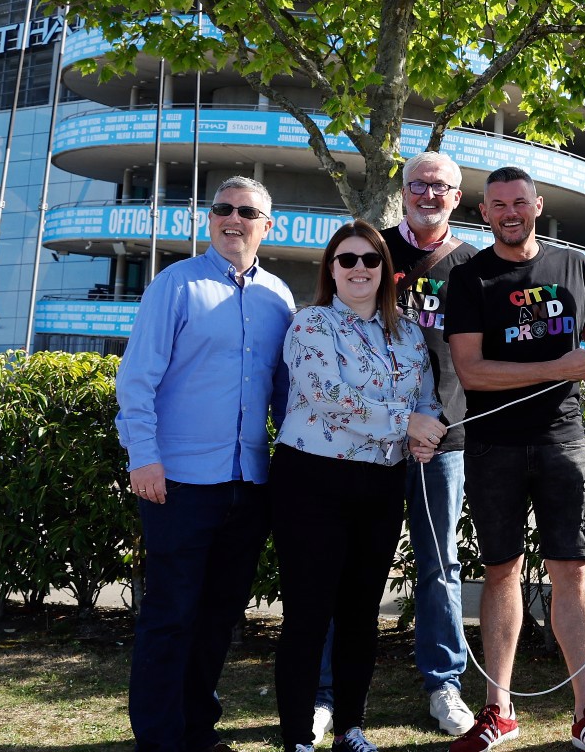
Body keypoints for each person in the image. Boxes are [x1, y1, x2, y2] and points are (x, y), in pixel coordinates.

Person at [443, 166, 585, 752]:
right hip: (493, 444)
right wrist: (557, 367)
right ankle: (497, 710)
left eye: (519, 202)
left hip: (560, 440)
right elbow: (471, 370)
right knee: (502, 571)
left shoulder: (573, 265)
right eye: (498, 205)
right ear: (485, 212)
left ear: (538, 204)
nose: (510, 212)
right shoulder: (468, 277)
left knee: (571, 570)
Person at [114, 177, 295, 752]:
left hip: (249, 485)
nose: (232, 219)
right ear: (209, 219)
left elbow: (286, 396)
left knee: (218, 619)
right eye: (222, 209)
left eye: (247, 211)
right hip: (179, 483)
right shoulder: (175, 285)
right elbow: (136, 378)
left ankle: (197, 731)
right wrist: (144, 458)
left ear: (269, 225)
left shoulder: (280, 299)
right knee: (170, 617)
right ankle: (161, 739)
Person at [272, 222, 449, 752]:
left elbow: (426, 399)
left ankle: (350, 726)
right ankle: (298, 737)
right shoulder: (311, 324)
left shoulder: (409, 331)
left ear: (385, 270)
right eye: (346, 260)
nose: (359, 269)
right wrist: (407, 425)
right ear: (331, 268)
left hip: (380, 483)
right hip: (311, 479)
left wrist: (424, 434)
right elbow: (327, 396)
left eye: (370, 260)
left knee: (359, 612)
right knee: (308, 611)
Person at [385, 151, 481, 737]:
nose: (428, 193)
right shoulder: (368, 249)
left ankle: (444, 685)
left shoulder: (474, 263)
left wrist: (438, 425)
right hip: (364, 439)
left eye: (440, 186)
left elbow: (486, 355)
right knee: (346, 565)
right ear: (402, 189)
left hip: (446, 441)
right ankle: (327, 692)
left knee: (440, 565)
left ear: (456, 195)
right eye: (418, 184)